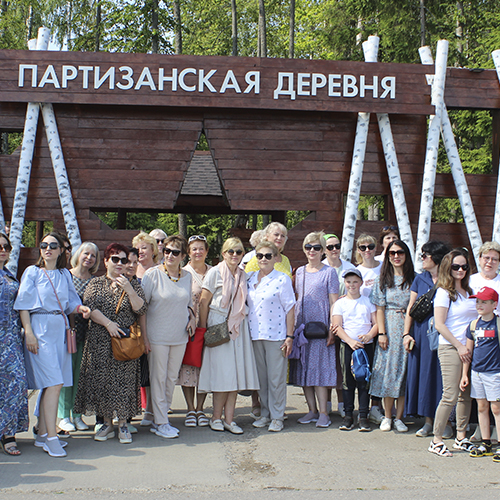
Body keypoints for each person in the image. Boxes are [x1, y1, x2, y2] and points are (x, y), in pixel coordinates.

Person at [15, 232, 91, 458]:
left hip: (60, 329)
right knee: (54, 382)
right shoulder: (32, 272)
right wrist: (29, 332)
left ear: (61, 251)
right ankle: (51, 437)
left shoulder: (64, 274)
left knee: (52, 384)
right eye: (44, 245)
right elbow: (23, 304)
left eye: (53, 245)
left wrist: (80, 308)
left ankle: (41, 434)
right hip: (40, 329)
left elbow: (70, 302)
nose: (47, 248)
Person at [74, 243, 147, 445]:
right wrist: (108, 324)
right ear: (106, 261)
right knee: (103, 383)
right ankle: (106, 423)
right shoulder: (96, 283)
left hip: (124, 342)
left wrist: (129, 290)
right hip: (100, 341)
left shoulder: (133, 284)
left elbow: (141, 309)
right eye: (115, 259)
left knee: (124, 383)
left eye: (124, 260)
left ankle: (123, 424)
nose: (120, 263)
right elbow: (90, 307)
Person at [198, 237, 259, 434]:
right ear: (223, 253)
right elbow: (203, 302)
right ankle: (216, 417)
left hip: (238, 326)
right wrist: (203, 329)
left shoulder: (243, 275)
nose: (235, 255)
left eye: (239, 251)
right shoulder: (215, 272)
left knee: (235, 374)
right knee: (222, 374)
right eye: (231, 251)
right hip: (218, 325)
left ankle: (229, 419)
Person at [142, 235, 196, 439]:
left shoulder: (187, 276)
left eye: (175, 252)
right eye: (167, 251)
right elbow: (142, 309)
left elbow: (188, 304)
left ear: (183, 256)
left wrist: (192, 318)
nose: (170, 255)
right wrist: (144, 337)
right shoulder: (152, 275)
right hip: (157, 336)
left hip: (179, 335)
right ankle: (161, 422)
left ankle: (160, 416)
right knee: (158, 378)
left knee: (171, 378)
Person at [428, 248, 478, 457]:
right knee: (450, 394)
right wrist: (459, 346)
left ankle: (461, 437)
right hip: (451, 347)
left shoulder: (469, 291)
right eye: (456, 266)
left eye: (464, 266)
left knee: (465, 394)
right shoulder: (444, 292)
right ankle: (436, 440)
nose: (460, 270)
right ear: (448, 267)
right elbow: (440, 324)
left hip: (471, 347)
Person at [289, 231, 339, 428]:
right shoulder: (300, 272)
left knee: (320, 371)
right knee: (304, 371)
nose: (312, 251)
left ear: (323, 250)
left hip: (321, 327)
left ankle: (324, 412)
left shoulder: (329, 272)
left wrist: (332, 328)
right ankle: (312, 410)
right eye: (308, 247)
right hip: (302, 328)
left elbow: (334, 302)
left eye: (316, 247)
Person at [403, 241, 451, 437]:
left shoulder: (450, 278)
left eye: (425, 255)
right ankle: (428, 421)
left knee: (443, 377)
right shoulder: (420, 279)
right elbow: (411, 307)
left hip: (445, 332)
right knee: (425, 376)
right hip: (422, 333)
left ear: (436, 257)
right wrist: (406, 333)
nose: (422, 258)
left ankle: (446, 422)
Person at [247, 241, 296, 432]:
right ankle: (265, 414)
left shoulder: (282, 279)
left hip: (276, 334)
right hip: (254, 334)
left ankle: (277, 416)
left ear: (276, 258)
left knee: (276, 379)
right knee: (261, 379)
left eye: (268, 255)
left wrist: (289, 336)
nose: (264, 259)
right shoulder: (250, 278)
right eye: (260, 256)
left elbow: (290, 309)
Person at [369, 240, 414, 432]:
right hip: (389, 325)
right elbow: (379, 308)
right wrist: (382, 333)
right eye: (392, 253)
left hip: (409, 327)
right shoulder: (382, 280)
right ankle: (387, 416)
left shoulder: (414, 279)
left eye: (400, 252)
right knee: (389, 372)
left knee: (404, 374)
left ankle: (399, 417)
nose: (396, 256)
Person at [58, 242, 100, 433]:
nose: (89, 258)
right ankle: (63, 415)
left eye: (93, 255)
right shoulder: (66, 275)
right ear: (78, 254)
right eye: (86, 253)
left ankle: (77, 414)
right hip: (66, 332)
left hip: (87, 334)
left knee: (80, 376)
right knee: (65, 374)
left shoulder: (95, 281)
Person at [332, 268, 377, 432]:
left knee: (364, 380)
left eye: (355, 282)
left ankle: (363, 416)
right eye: (349, 282)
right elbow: (337, 326)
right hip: (348, 345)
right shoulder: (340, 303)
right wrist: (350, 341)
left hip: (366, 346)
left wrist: (369, 335)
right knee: (348, 381)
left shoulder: (368, 301)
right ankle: (348, 415)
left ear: (361, 283)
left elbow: (376, 323)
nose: (352, 285)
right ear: (344, 283)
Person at [460, 287, 500, 461]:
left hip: (494, 373)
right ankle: (486, 443)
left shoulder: (498, 324)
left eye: (484, 302)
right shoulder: (473, 325)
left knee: (496, 408)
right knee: (481, 407)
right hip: (477, 373)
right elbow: (468, 352)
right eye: (477, 301)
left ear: (494, 304)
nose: (479, 305)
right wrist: (465, 374)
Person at [179, 235, 212, 427]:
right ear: (188, 252)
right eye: (194, 249)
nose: (197, 252)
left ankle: (200, 408)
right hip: (189, 326)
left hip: (210, 326)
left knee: (205, 367)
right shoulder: (183, 273)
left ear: (206, 251)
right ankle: (190, 408)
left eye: (201, 248)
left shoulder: (214, 272)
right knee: (189, 367)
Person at [0, 232, 28, 456]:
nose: (3, 250)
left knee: (16, 384)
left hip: (10, 338)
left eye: (6, 247)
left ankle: (8, 432)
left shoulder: (9, 275)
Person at [321, 232, 355, 417]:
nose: (334, 250)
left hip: (345, 322)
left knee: (342, 365)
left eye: (337, 246)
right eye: (330, 247)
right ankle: (326, 403)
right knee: (327, 364)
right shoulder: (321, 267)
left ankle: (342, 403)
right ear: (324, 250)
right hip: (324, 320)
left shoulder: (349, 267)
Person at [355, 233, 384, 424]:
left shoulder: (383, 268)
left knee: (380, 367)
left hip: (383, 321)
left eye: (370, 246)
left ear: (376, 248)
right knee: (364, 368)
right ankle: (364, 408)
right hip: (364, 326)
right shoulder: (356, 271)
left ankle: (377, 406)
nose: (367, 250)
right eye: (363, 247)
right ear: (358, 250)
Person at [132, 231, 159, 425]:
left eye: (144, 248)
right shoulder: (130, 270)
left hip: (154, 325)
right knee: (134, 369)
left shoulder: (159, 271)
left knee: (152, 370)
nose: (140, 251)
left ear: (153, 251)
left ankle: (150, 409)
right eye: (137, 248)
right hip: (132, 328)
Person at [469, 241, 500, 307]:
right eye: (487, 258)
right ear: (480, 259)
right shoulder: (469, 281)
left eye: (494, 259)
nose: (490, 262)